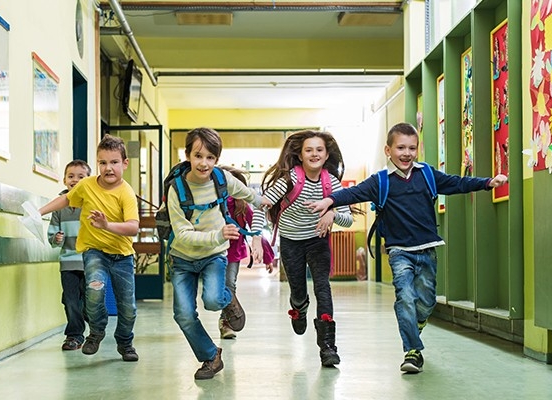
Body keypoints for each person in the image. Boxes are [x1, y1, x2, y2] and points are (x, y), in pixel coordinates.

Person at [307, 122, 508, 373]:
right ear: (388, 150)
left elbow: (457, 183)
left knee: (426, 301)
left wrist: (487, 182)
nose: (407, 153)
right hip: (399, 250)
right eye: (400, 147)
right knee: (405, 298)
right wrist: (329, 200)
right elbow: (354, 193)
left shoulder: (427, 174)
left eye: (412, 148)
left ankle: (418, 322)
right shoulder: (381, 181)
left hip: (427, 247)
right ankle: (412, 352)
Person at [167, 127, 271, 380]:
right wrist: (219, 234)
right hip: (182, 259)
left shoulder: (222, 179)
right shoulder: (176, 190)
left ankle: (228, 300)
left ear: (217, 159)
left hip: (214, 256)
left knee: (213, 300)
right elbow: (182, 234)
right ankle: (211, 357)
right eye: (198, 156)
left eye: (211, 157)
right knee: (183, 314)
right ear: (188, 155)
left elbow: (246, 194)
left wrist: (263, 202)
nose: (204, 163)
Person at [250, 129, 355, 368]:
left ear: (327, 155)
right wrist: (257, 237)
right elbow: (262, 205)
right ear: (300, 154)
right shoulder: (290, 180)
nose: (314, 154)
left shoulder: (333, 183)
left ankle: (327, 347)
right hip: (290, 241)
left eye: (319, 150)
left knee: (323, 287)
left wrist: (332, 213)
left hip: (318, 240)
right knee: (298, 289)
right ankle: (299, 308)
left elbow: (348, 219)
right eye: (309, 150)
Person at [39, 134, 140, 362]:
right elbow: (66, 200)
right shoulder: (86, 185)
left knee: (128, 306)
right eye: (102, 162)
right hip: (94, 251)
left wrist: (107, 225)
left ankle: (125, 343)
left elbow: (133, 227)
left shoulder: (126, 193)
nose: (108, 168)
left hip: (122, 256)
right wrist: (40, 212)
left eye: (114, 162)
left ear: (125, 164)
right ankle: (95, 332)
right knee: (94, 292)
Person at [217, 165, 275, 340]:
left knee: (229, 286)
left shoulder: (242, 207)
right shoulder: (213, 204)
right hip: (212, 252)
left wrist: (267, 257)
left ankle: (226, 322)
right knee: (220, 288)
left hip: (232, 256)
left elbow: (256, 230)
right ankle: (227, 319)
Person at [47, 160, 91, 351]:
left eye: (81, 176)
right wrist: (56, 238)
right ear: (64, 180)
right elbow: (52, 236)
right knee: (71, 301)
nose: (75, 180)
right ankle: (74, 335)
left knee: (91, 303)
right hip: (68, 262)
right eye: (71, 176)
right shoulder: (59, 206)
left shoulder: (91, 202)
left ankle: (96, 330)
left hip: (91, 262)